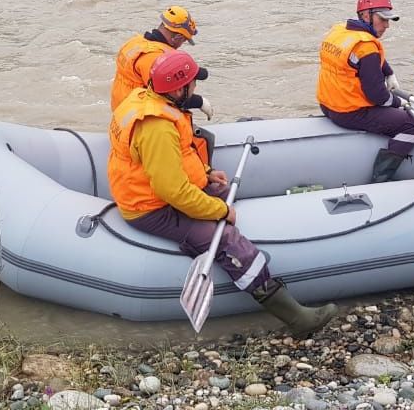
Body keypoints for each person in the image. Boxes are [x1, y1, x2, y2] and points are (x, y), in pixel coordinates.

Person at [109, 50, 338, 337]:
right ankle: (297, 319)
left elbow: (175, 158)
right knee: (228, 238)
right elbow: (172, 191)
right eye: (193, 82)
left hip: (153, 189)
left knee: (223, 190)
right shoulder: (156, 127)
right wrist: (220, 211)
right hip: (151, 207)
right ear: (178, 88)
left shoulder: (144, 98)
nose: (196, 87)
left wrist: (204, 173)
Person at [316, 0, 414, 183]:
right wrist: (398, 102)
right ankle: (381, 176)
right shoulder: (366, 47)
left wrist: (388, 72)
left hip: (327, 105)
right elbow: (378, 96)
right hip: (349, 112)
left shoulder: (340, 31)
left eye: (388, 20)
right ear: (366, 15)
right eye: (382, 19)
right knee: (412, 125)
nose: (387, 26)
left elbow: (360, 60)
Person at [111, 5, 213, 119]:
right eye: (183, 40)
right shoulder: (155, 59)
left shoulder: (135, 42)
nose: (180, 45)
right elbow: (169, 94)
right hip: (139, 116)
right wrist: (200, 102)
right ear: (177, 37)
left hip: (123, 110)